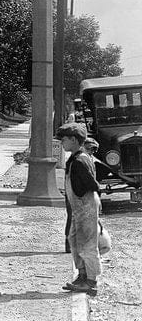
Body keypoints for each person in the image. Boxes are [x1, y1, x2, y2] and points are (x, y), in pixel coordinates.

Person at [58, 123, 102, 295]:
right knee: (74, 239)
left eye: (64, 139)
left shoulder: (80, 160)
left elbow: (93, 184)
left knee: (88, 244)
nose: (62, 142)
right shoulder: (76, 158)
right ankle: (82, 275)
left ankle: (91, 281)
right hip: (78, 207)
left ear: (74, 140)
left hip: (85, 206)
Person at [64, 137, 101, 253]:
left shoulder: (80, 158)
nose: (92, 152)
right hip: (78, 194)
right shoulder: (81, 160)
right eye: (90, 149)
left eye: (94, 150)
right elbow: (88, 179)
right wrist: (96, 187)